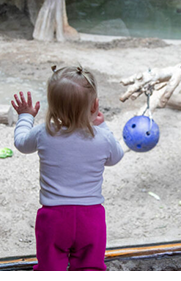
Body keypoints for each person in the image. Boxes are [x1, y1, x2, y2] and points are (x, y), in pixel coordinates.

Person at [11, 65, 124, 272]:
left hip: (54, 218)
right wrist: (102, 126)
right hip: (91, 218)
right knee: (90, 268)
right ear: (95, 105)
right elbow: (116, 158)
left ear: (51, 107)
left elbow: (20, 143)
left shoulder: (44, 133)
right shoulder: (102, 137)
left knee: (50, 269)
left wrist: (26, 116)